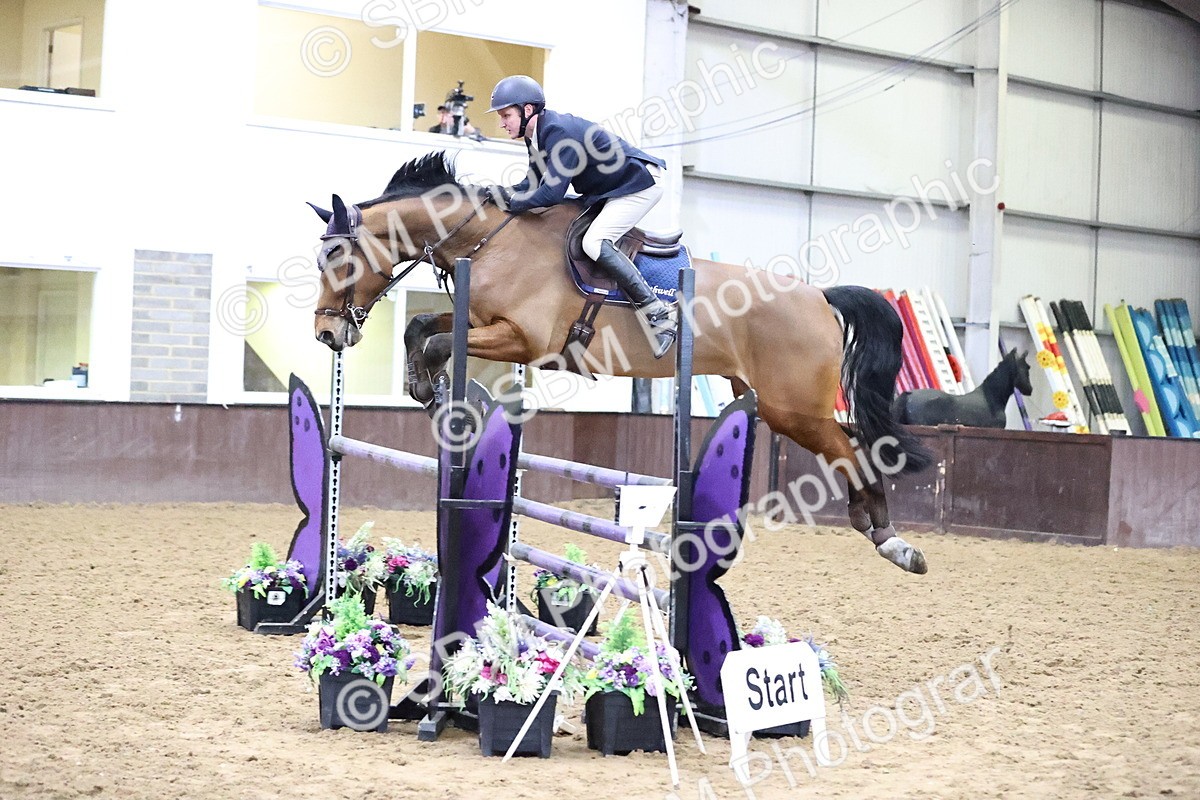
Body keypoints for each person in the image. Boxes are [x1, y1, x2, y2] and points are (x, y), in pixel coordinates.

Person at [486, 75, 677, 359]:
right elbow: (530, 184)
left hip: (639, 184)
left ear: (528, 110)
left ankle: (659, 313)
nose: (502, 123)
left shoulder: (558, 133)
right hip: (609, 188)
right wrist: (495, 195)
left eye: (506, 115)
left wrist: (512, 202)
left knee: (594, 242)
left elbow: (550, 194)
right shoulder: (537, 136)